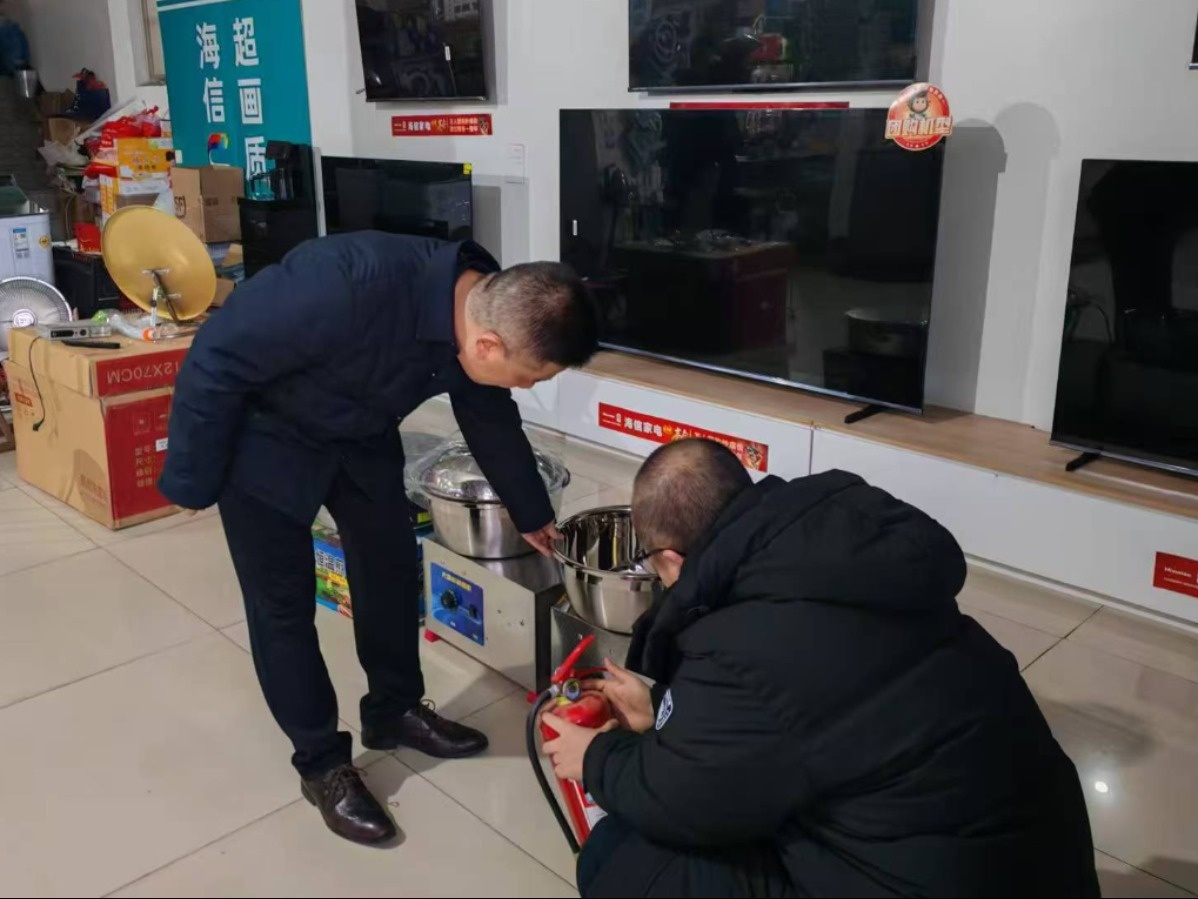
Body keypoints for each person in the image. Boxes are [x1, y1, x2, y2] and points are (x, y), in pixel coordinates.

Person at [160, 231, 597, 845]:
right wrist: (191, 477)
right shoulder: (338, 284)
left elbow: (488, 411)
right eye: (528, 377)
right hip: (266, 440)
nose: (524, 388)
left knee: (390, 572)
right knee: (283, 607)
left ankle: (394, 711)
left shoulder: (482, 300)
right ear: (488, 344)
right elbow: (215, 358)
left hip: (361, 434)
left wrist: (530, 511)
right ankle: (322, 764)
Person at [544, 439, 1100, 897]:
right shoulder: (837, 549)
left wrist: (596, 758)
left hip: (922, 875)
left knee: (620, 861)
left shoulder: (741, 646)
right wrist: (665, 708)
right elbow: (801, 717)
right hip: (1034, 857)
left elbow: (685, 799)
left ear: (670, 557)